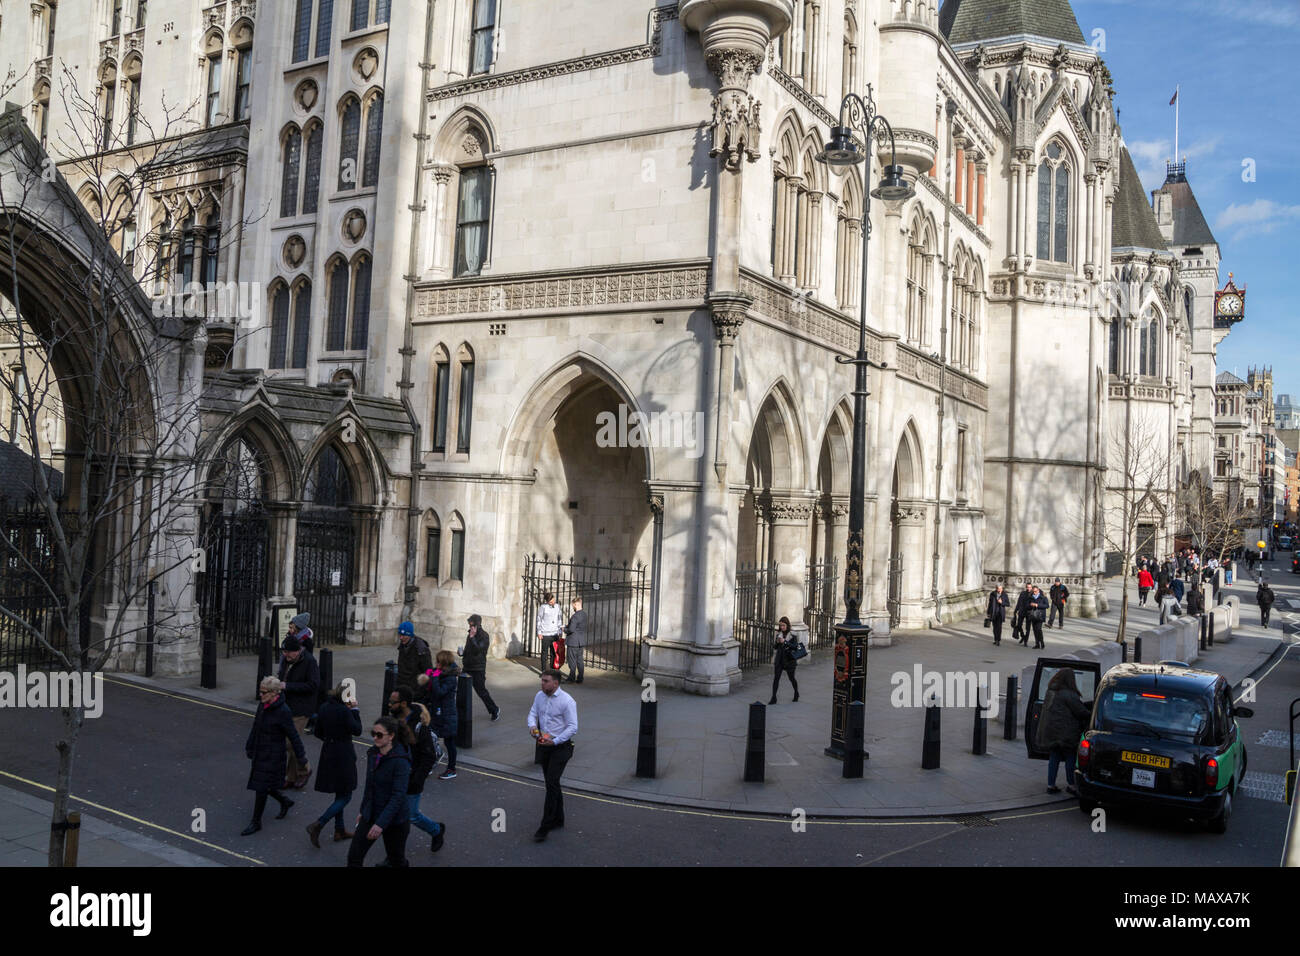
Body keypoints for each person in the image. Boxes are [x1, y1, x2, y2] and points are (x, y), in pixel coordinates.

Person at [243, 677, 309, 836]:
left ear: (274, 693)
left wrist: (302, 759)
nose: (260, 695)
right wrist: (250, 745)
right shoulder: (263, 705)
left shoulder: (283, 711)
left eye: (263, 692)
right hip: (261, 751)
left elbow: (293, 736)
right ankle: (285, 801)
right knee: (266, 784)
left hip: (273, 755)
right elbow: (256, 726)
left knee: (261, 786)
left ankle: (256, 822)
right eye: (260, 691)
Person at [347, 716, 413, 867]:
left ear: (391, 736)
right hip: (371, 814)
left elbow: (398, 796)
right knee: (354, 857)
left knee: (396, 860)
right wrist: (363, 810)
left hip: (395, 821)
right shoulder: (373, 754)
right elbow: (370, 787)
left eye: (379, 735)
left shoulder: (400, 761)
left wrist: (380, 824)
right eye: (373, 734)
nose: (375, 738)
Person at [389, 685, 446, 854]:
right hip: (396, 775)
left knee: (411, 815)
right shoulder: (394, 719)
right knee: (393, 814)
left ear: (404, 703)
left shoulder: (419, 726)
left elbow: (428, 757)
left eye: (393, 702)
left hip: (412, 778)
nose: (389, 705)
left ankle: (436, 830)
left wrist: (417, 779)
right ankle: (394, 854)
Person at [306, 684, 361, 848]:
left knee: (340, 791)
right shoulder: (345, 711)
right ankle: (319, 824)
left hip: (328, 751)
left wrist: (330, 740)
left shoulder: (324, 707)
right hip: (343, 753)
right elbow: (357, 730)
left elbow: (317, 732)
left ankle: (340, 830)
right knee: (346, 795)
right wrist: (355, 710)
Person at [527, 669, 578, 842]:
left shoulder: (567, 701)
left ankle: (545, 826)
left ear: (555, 683)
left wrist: (555, 742)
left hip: (560, 747)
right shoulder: (539, 696)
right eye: (542, 680)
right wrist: (533, 727)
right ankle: (559, 819)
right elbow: (533, 713)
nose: (542, 683)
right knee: (552, 783)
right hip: (543, 744)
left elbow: (573, 726)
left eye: (546, 681)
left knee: (551, 783)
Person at [1035, 668, 1090, 795]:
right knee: (1070, 757)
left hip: (1051, 732)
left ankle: (1051, 785)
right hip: (1066, 733)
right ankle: (1071, 785)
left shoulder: (1051, 691)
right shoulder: (1069, 694)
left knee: (1054, 757)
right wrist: (1092, 715)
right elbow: (1080, 711)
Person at [277, 635, 319, 789]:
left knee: (290, 742)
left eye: (288, 652)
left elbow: (313, 685)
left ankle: (304, 769)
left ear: (297, 651)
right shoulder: (288, 661)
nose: (285, 655)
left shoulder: (309, 662)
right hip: (287, 705)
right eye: (284, 652)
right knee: (290, 742)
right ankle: (292, 776)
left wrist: (287, 686)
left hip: (302, 708)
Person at [427, 650, 461, 780]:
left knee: (450, 742)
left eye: (437, 661)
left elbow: (439, 692)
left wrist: (435, 677)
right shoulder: (442, 673)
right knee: (429, 737)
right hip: (438, 713)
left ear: (443, 663)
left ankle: (451, 769)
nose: (435, 664)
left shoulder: (451, 678)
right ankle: (430, 763)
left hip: (447, 715)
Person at [460, 614, 500, 721]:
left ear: (477, 624)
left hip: (478, 668)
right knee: (462, 690)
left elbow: (478, 650)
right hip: (467, 667)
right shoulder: (470, 634)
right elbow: (469, 649)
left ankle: (494, 709)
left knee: (481, 691)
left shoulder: (484, 636)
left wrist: (472, 638)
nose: (470, 627)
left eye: (471, 624)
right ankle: (460, 712)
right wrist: (462, 653)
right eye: (469, 624)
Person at [769, 616, 800, 704]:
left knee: (791, 678)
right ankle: (773, 697)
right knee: (776, 679)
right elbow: (775, 647)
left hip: (789, 660)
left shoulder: (793, 635)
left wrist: (785, 642)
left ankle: (796, 693)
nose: (781, 627)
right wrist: (777, 642)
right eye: (780, 625)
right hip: (779, 660)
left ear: (787, 625)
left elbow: (795, 647)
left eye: (783, 625)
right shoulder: (779, 634)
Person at [396, 621, 432, 692]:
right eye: (400, 635)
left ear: (410, 635)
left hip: (415, 688)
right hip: (402, 685)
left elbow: (428, 670)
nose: (401, 638)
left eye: (403, 635)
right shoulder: (403, 645)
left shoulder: (421, 649)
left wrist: (422, 687)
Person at [563, 596, 588, 684]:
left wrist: (564, 629)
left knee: (572, 660)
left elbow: (571, 630)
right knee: (580, 660)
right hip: (581, 641)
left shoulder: (575, 616)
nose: (572, 607)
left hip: (573, 641)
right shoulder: (584, 614)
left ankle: (571, 677)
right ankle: (580, 678)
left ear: (575, 604)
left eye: (573, 605)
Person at [537, 593, 564, 669]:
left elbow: (559, 619)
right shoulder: (543, 607)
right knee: (544, 653)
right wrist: (539, 632)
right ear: (547, 601)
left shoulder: (557, 606)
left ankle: (552, 669)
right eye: (551, 602)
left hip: (555, 633)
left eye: (553, 600)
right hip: (545, 634)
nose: (553, 602)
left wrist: (560, 632)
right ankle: (543, 670)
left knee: (554, 652)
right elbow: (539, 619)